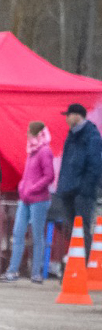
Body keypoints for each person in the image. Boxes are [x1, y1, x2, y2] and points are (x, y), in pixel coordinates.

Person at [0, 122, 55, 284]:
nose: (27, 135)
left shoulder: (44, 151)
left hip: (38, 200)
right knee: (18, 233)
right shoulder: (32, 151)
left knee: (37, 236)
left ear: (35, 133)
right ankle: (13, 270)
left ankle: (35, 272)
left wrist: (31, 188)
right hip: (25, 199)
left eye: (29, 132)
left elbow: (49, 176)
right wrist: (23, 187)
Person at [56, 103, 102, 255]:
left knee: (82, 230)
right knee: (73, 231)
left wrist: (84, 190)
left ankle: (85, 266)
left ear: (77, 115)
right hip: (68, 191)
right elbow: (66, 163)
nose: (67, 119)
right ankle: (73, 266)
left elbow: (95, 165)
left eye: (68, 115)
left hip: (82, 193)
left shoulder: (92, 135)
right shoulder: (72, 134)